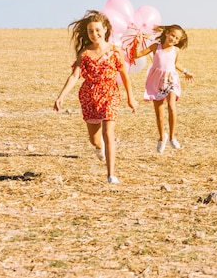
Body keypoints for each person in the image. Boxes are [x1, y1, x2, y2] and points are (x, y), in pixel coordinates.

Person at [54, 10, 138, 184]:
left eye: (98, 30)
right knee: (95, 140)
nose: (95, 34)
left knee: (109, 133)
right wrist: (61, 96)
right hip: (89, 96)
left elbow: (124, 75)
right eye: (91, 31)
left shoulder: (115, 51)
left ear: (106, 29)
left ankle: (111, 175)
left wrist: (131, 98)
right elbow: (75, 76)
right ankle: (99, 148)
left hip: (110, 94)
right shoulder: (84, 54)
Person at [134, 24, 195, 153]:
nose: (174, 39)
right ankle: (162, 137)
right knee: (159, 115)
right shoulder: (156, 47)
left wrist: (186, 72)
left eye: (177, 39)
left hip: (171, 80)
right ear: (167, 33)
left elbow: (175, 64)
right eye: (172, 35)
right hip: (157, 81)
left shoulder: (176, 50)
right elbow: (137, 55)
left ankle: (172, 137)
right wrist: (137, 43)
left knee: (172, 107)